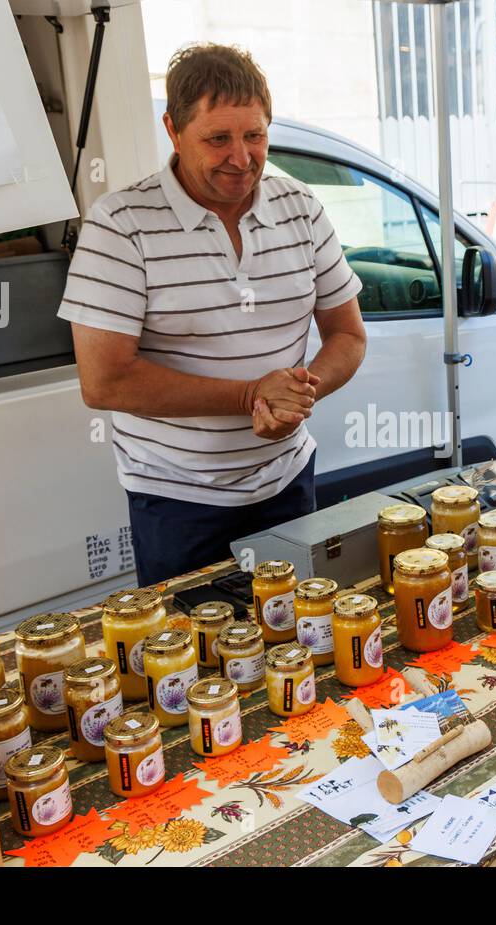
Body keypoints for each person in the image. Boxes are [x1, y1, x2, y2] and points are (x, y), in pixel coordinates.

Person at [58, 43, 366, 586]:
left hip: (288, 483)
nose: (242, 157)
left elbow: (347, 334)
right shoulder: (120, 224)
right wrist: (250, 396)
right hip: (178, 501)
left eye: (255, 136)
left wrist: (298, 392)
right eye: (218, 139)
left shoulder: (301, 207)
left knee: (299, 644)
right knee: (195, 660)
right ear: (173, 131)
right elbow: (104, 381)